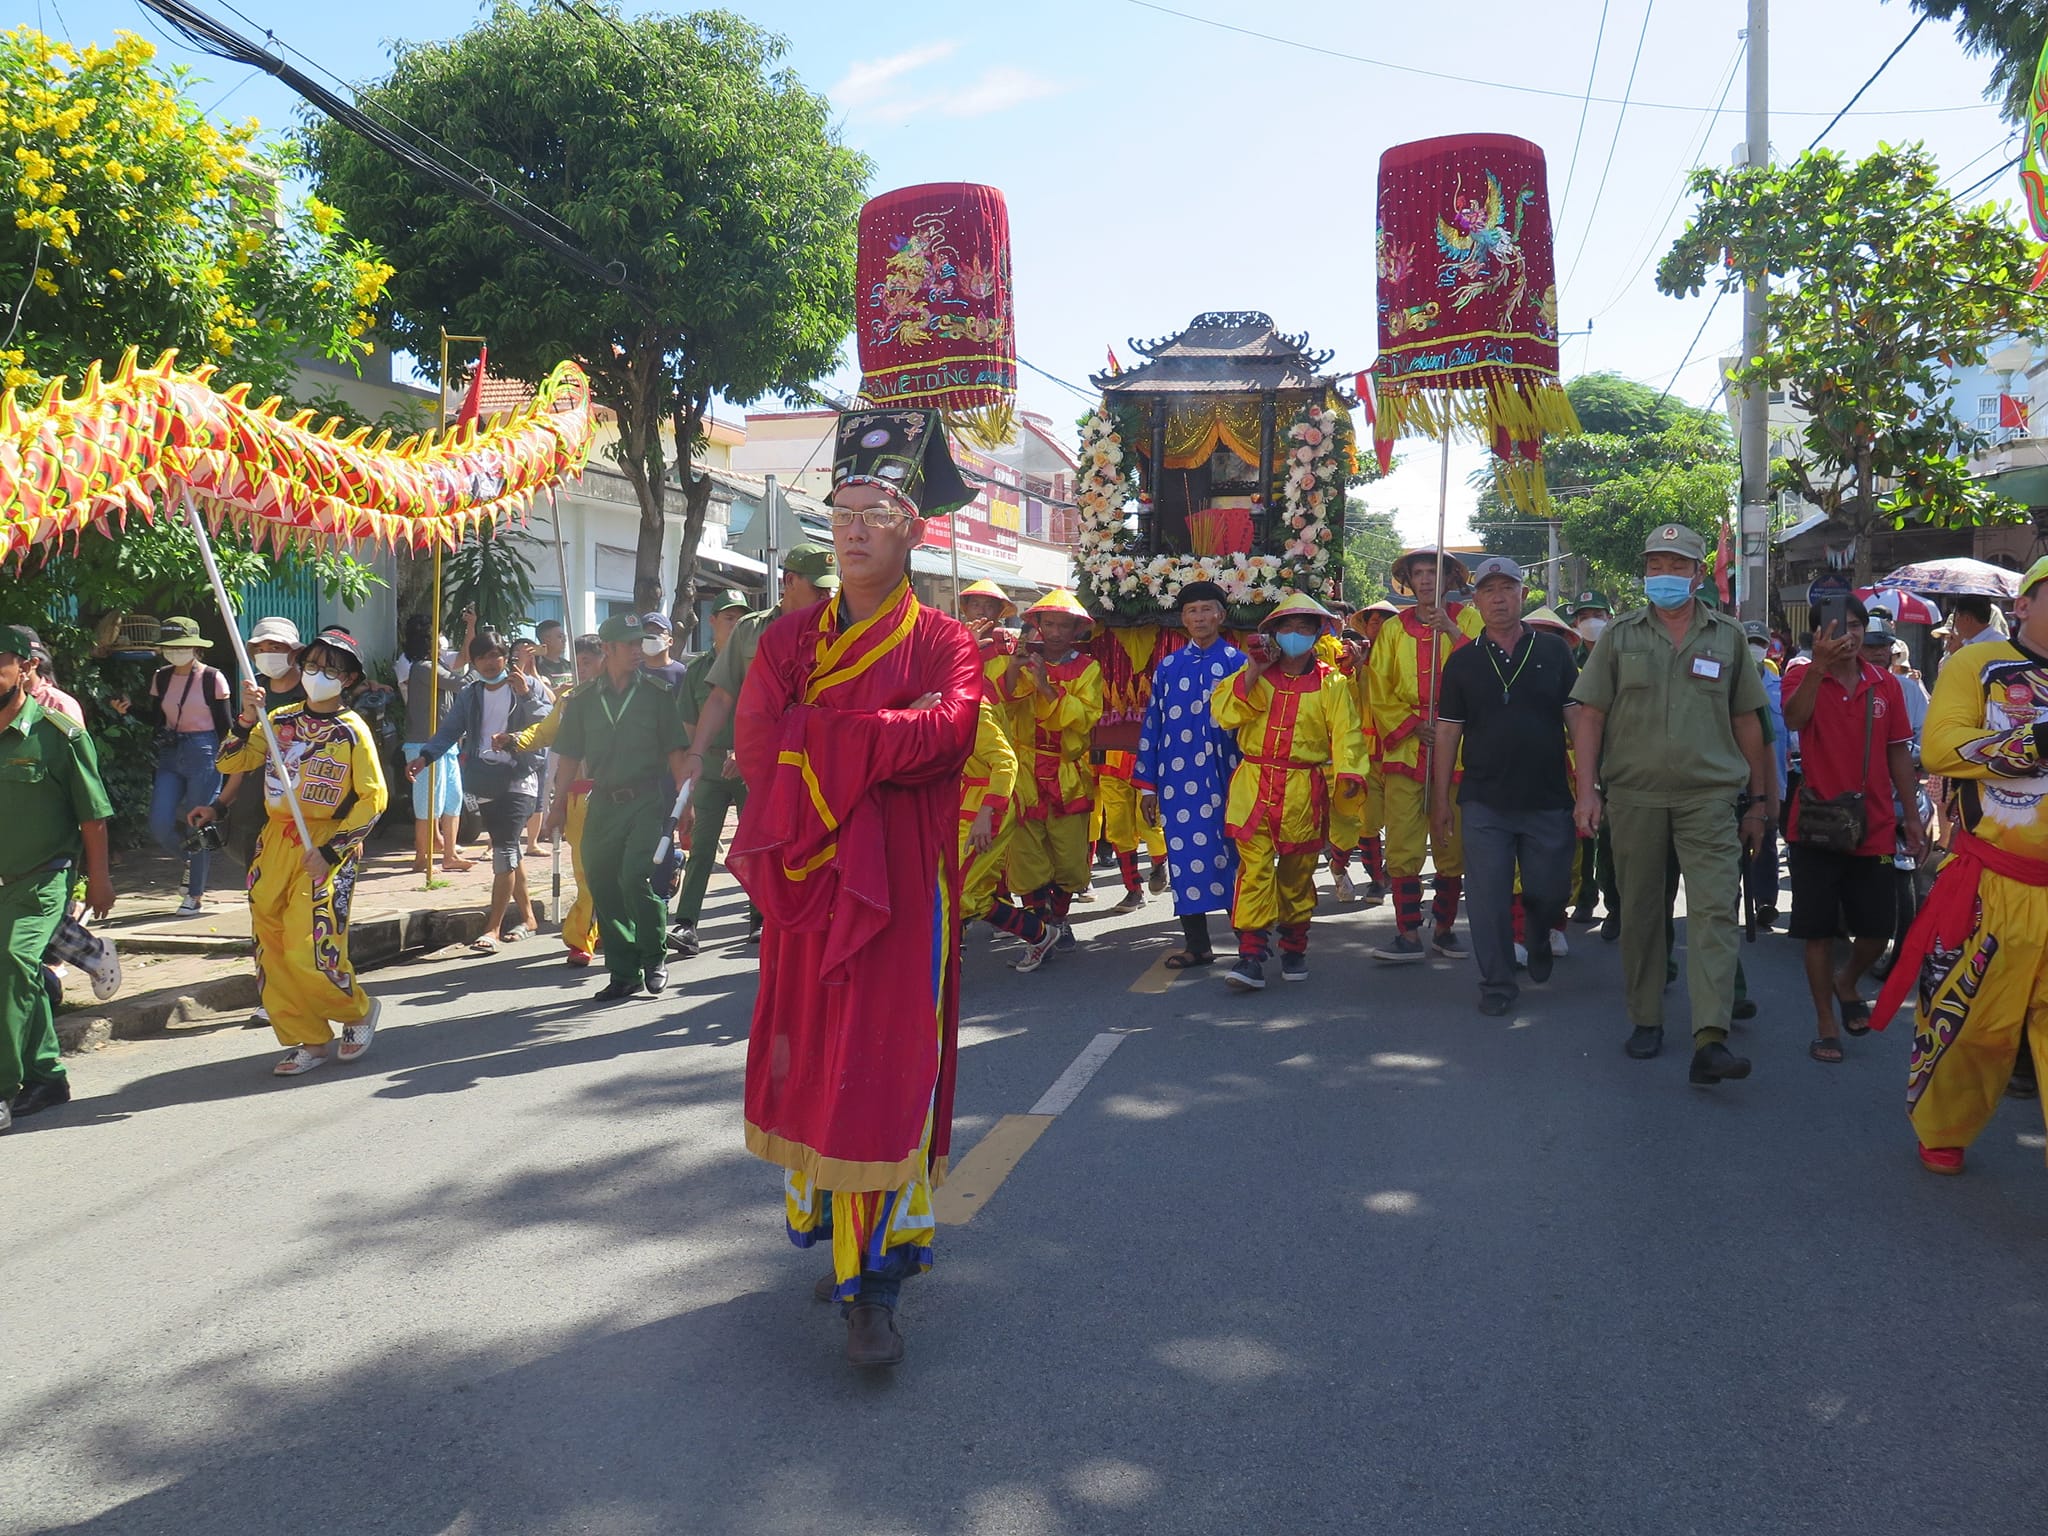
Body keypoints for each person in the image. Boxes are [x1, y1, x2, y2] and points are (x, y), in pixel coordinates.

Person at [727, 405, 981, 1369]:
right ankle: (837, 1242)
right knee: (818, 1052)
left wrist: (825, 731)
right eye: (841, 511)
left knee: (885, 1063)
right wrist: (880, 734)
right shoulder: (786, 640)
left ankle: (874, 1285)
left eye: (876, 509)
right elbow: (758, 747)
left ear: (914, 526)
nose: (854, 526)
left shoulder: (947, 645)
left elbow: (950, 735)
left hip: (905, 887)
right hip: (808, 880)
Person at [1571, 524, 1776, 1086]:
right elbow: (1590, 715)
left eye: (1675, 565)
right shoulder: (1618, 636)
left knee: (1713, 910)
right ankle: (1646, 1018)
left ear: (1695, 573)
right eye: (1654, 564)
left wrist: (1759, 803)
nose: (1663, 574)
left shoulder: (1728, 637)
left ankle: (1710, 1037)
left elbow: (1747, 724)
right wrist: (1586, 792)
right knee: (1640, 912)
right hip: (1634, 797)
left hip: (1709, 799)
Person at [1870, 553, 2048, 1174]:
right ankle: (1944, 1125)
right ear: (2023, 604)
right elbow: (1942, 749)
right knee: (1976, 1027)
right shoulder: (1975, 664)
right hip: (1991, 883)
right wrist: (2033, 744)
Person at [214, 627, 389, 1076]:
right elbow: (230, 762)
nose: (318, 674)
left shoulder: (353, 732)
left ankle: (356, 1010)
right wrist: (248, 720)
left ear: (349, 679)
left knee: (309, 949)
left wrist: (333, 851)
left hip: (324, 844)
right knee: (270, 948)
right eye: (312, 665)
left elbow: (373, 799)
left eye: (331, 669)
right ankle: (308, 1038)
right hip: (274, 844)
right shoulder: (280, 720)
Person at [1780, 600, 1924, 1065]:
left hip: (1876, 827)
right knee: (1818, 932)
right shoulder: (1801, 676)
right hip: (1817, 826)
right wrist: (1818, 669)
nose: (1851, 635)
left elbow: (1900, 754)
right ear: (1818, 634)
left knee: (1878, 932)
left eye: (1858, 626)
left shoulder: (1888, 685)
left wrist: (1915, 819)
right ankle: (1826, 1023)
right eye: (1839, 628)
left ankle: (1847, 982)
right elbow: (1794, 721)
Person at [1434, 560, 1579, 1016]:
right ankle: (1496, 982)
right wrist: (1439, 801)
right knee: (1487, 896)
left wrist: (1592, 783)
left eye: (1508, 588)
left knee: (1550, 887)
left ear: (1523, 594)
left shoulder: (1555, 653)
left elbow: (1579, 719)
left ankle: (1538, 933)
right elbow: (1447, 734)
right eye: (1489, 590)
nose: (1498, 598)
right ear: (1475, 601)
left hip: (1548, 798)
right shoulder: (1462, 662)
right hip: (1483, 801)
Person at [675, 544, 840, 939]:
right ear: (789, 582)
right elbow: (720, 696)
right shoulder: (751, 631)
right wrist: (696, 752)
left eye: (830, 590)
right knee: (763, 847)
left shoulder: (841, 626)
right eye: (818, 589)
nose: (826, 597)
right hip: (764, 766)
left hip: (823, 766)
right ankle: (765, 922)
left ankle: (786, 924)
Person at [1208, 593, 1367, 990]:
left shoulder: (1331, 681)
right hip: (1253, 783)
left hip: (1302, 788)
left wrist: (1349, 773)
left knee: (1297, 875)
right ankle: (1250, 954)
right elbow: (1224, 713)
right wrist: (1252, 672)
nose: (1295, 635)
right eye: (1288, 627)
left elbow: (1347, 732)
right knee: (1255, 870)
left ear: (1317, 635)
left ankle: (1294, 946)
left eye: (1304, 628)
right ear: (1275, 632)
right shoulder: (1256, 672)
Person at [0, 626, 115, 1132]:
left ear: (25, 668)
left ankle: (3, 1089)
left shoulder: (58, 733)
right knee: (20, 976)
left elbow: (92, 816)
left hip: (42, 877)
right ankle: (47, 1075)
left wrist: (100, 880)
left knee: (10, 961)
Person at [543, 615, 690, 1001]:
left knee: (634, 877)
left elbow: (676, 749)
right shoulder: (583, 700)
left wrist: (684, 806)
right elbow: (569, 758)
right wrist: (556, 807)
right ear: (607, 650)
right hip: (602, 802)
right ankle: (624, 971)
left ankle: (654, 958)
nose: (638, 651)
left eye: (640, 643)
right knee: (602, 882)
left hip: (645, 800)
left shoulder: (656, 694)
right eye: (629, 644)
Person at [1366, 548, 1483, 962]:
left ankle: (1446, 928)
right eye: (1418, 574)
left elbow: (1484, 668)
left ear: (1450, 579)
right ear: (1409, 581)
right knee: (1402, 838)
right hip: (1407, 745)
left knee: (1451, 838)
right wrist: (1412, 725)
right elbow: (1378, 688)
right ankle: (1408, 933)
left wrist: (1450, 629)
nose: (1425, 580)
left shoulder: (1469, 619)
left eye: (1434, 573)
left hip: (1460, 744)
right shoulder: (1394, 630)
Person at [410, 629, 554, 952]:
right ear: (473, 662)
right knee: (510, 850)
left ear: (506, 657)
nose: (490, 663)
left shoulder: (528, 686)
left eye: (496, 655)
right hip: (486, 778)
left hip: (521, 777)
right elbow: (451, 728)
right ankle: (529, 917)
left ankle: (493, 927)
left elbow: (549, 724)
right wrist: (426, 756)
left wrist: (528, 694)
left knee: (503, 849)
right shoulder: (471, 693)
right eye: (483, 657)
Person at [1133, 580, 1245, 969]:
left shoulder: (1238, 662)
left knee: (1237, 857)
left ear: (1221, 615)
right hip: (1178, 783)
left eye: (1206, 609)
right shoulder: (1168, 667)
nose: (1199, 617)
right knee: (1184, 859)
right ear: (1183, 619)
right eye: (1191, 611)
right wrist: (1148, 787)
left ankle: (1250, 944)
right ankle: (1197, 945)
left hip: (1231, 779)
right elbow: (1153, 726)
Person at [1008, 589, 1105, 952]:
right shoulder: (1020, 658)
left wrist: (1047, 689)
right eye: (1049, 623)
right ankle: (1039, 925)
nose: (1056, 631)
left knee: (1068, 855)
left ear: (1076, 629)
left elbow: (1085, 718)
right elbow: (1004, 704)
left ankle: (1059, 919)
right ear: (1038, 624)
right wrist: (1011, 674)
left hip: (1066, 770)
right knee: (1026, 852)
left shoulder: (1088, 667)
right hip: (1025, 767)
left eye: (1065, 625)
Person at [502, 633, 605, 966]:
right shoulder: (570, 700)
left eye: (589, 661)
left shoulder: (628, 696)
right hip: (578, 797)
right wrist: (515, 740)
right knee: (586, 871)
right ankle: (583, 937)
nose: (583, 668)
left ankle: (601, 929)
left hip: (622, 794)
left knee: (616, 871)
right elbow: (545, 731)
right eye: (580, 662)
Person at [670, 590, 758, 958]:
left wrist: (749, 751)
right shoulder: (697, 672)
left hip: (751, 767)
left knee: (755, 845)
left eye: (741, 617)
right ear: (712, 622)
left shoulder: (758, 664)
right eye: (727, 617)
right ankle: (687, 924)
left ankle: (762, 918)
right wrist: (688, 780)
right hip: (709, 769)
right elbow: (689, 728)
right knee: (701, 847)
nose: (735, 623)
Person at [134, 616, 233, 916]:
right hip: (170, 750)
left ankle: (195, 894)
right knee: (160, 822)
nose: (176, 652)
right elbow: (155, 719)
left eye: (183, 646)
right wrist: (128, 710)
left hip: (204, 751)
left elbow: (225, 726)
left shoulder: (212, 678)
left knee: (198, 822)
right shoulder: (161, 677)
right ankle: (191, 859)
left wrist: (230, 763)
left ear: (196, 647)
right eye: (170, 647)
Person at [211, 616, 308, 875]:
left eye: (275, 648)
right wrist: (220, 804)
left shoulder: (313, 693)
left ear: (295, 651)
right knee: (259, 881)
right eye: (260, 649)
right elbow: (239, 759)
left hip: (304, 802)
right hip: (257, 803)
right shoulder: (254, 690)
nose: (267, 655)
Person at [396, 614, 472, 874]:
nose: (442, 643)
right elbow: (460, 682)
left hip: (446, 744)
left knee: (452, 800)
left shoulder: (435, 666)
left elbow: (462, 661)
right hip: (423, 746)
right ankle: (421, 856)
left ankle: (449, 853)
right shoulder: (424, 668)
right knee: (428, 804)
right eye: (437, 639)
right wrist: (480, 671)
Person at [1742, 620, 1789, 931]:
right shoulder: (1725, 683)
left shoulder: (1780, 687)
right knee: (1731, 845)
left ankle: (1765, 902)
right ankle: (1727, 902)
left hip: (1773, 780)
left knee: (1768, 842)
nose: (1754, 648)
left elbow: (1788, 736)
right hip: (1734, 782)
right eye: (1750, 642)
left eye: (1759, 642)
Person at [1095, 750, 1168, 911]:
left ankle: (1159, 861)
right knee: (1119, 829)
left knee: (1150, 825)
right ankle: (1133, 889)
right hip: (1110, 763)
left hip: (1146, 762)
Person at [534, 618, 575, 691]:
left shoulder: (569, 665)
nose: (564, 640)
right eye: (560, 636)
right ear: (546, 639)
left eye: (564, 637)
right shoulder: (536, 666)